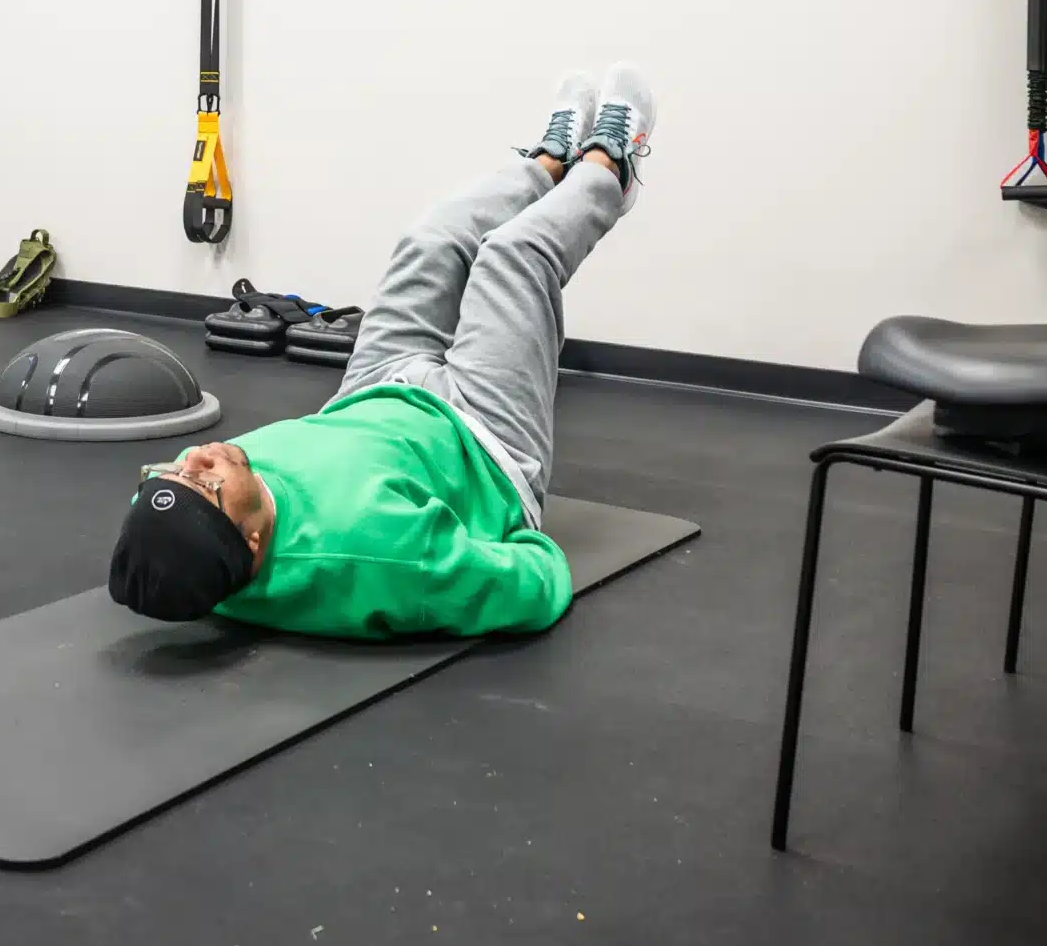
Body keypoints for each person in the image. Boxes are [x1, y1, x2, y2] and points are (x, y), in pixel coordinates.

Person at [107, 64, 656, 639]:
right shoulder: (385, 556)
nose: (195, 460)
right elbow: (537, 584)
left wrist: (189, 490)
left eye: (171, 474)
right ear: (252, 540)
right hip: (480, 441)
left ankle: (547, 165)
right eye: (205, 484)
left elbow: (171, 526)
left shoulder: (193, 536)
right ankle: (607, 170)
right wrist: (505, 521)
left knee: (429, 241)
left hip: (370, 393)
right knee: (512, 257)